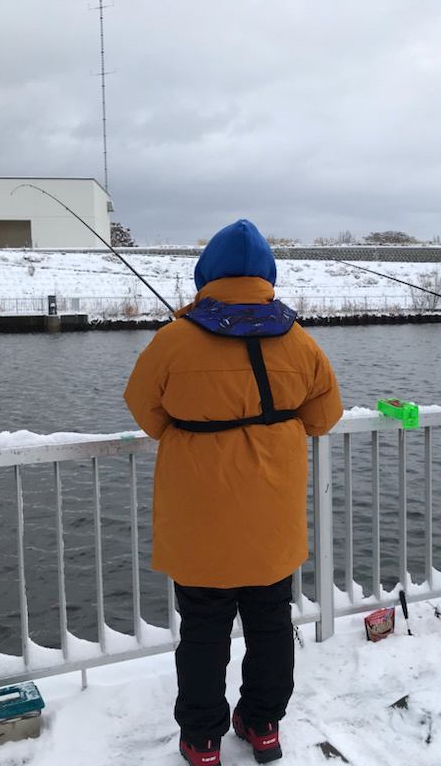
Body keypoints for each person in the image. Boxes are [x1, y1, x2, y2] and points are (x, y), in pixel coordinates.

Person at [124, 219, 343, 766]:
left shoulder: (173, 340)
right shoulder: (300, 340)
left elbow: (146, 412)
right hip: (272, 519)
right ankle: (263, 725)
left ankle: (202, 740)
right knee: (271, 623)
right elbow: (324, 417)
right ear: (268, 275)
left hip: (200, 520)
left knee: (203, 629)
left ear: (207, 275)